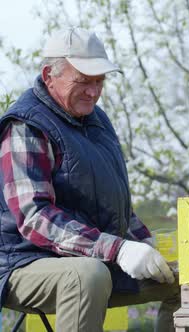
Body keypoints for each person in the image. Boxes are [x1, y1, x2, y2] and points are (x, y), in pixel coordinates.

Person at [0, 27, 179, 332]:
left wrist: (142, 241)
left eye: (100, 81)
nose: (94, 92)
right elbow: (35, 218)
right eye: (83, 81)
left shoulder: (98, 122)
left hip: (92, 255)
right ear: (49, 75)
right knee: (87, 276)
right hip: (21, 262)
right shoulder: (25, 127)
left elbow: (113, 202)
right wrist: (118, 250)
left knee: (187, 277)